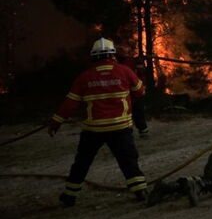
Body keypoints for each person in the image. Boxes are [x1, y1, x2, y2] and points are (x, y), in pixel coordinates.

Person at [47, 37, 148, 207]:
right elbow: (140, 93)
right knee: (128, 160)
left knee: (82, 162)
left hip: (93, 130)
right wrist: (139, 75)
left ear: (93, 56)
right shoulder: (124, 71)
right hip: (120, 127)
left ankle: (69, 195)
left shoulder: (84, 77)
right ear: (113, 54)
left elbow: (70, 103)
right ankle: (140, 192)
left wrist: (56, 121)